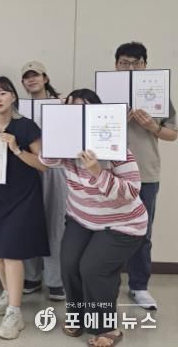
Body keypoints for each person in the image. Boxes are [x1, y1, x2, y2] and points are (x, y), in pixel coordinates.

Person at [41, 88, 148, 347]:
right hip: (82, 218)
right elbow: (45, 158)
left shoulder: (116, 147)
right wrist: (58, 124)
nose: (79, 114)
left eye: (85, 108)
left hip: (123, 223)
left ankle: (105, 327)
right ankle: (78, 316)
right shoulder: (66, 148)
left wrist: (98, 171)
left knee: (93, 269)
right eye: (73, 109)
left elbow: (131, 191)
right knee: (69, 264)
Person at [0, 76, 49, 340]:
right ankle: (9, 292)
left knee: (12, 253)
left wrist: (16, 149)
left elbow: (43, 164)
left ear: (13, 97)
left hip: (22, 197)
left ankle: (15, 313)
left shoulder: (26, 126)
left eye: (3, 93)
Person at [113, 42, 177, 310]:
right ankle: (106, 283)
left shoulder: (158, 92)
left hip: (146, 173)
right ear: (116, 65)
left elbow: (173, 134)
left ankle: (139, 286)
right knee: (107, 231)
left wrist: (152, 126)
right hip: (110, 173)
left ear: (145, 65)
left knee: (143, 232)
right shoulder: (105, 92)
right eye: (124, 63)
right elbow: (89, 127)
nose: (130, 67)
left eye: (136, 63)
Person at [20, 60, 67, 301]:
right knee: (28, 221)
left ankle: (55, 280)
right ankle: (31, 276)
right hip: (27, 166)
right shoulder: (18, 107)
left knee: (55, 223)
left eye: (36, 75)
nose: (32, 80)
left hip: (55, 168)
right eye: (27, 77)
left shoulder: (63, 104)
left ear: (45, 78)